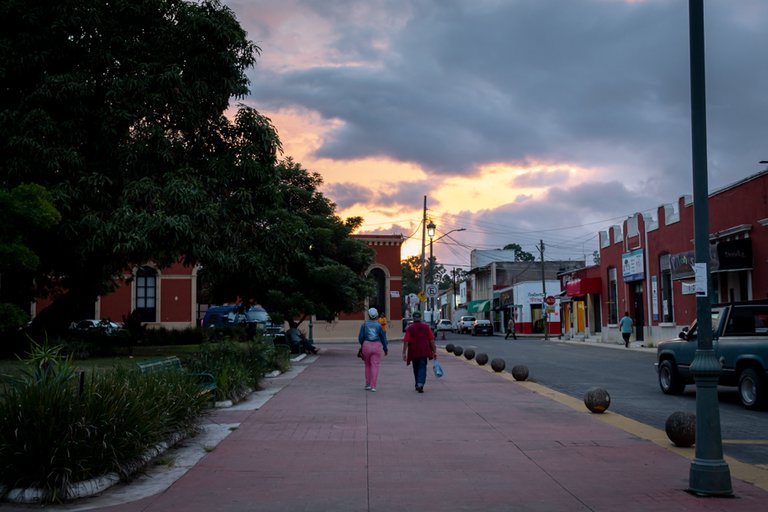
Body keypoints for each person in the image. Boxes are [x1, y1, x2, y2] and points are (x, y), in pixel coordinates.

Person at [402, 311, 436, 393]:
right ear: (420, 318)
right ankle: (420, 384)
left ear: (413, 319)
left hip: (414, 351)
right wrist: (434, 351)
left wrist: (404, 352)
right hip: (424, 350)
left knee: (416, 368)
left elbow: (406, 341)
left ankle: (418, 383)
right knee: (422, 367)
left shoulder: (410, 328)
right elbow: (431, 340)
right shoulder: (426, 327)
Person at [358, 307, 388, 392]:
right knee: (375, 365)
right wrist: (385, 349)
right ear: (376, 316)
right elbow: (383, 338)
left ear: (368, 315)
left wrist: (362, 344)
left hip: (366, 345)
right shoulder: (379, 326)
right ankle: (373, 386)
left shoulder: (364, 324)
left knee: (367, 365)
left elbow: (360, 337)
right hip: (377, 346)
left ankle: (367, 384)